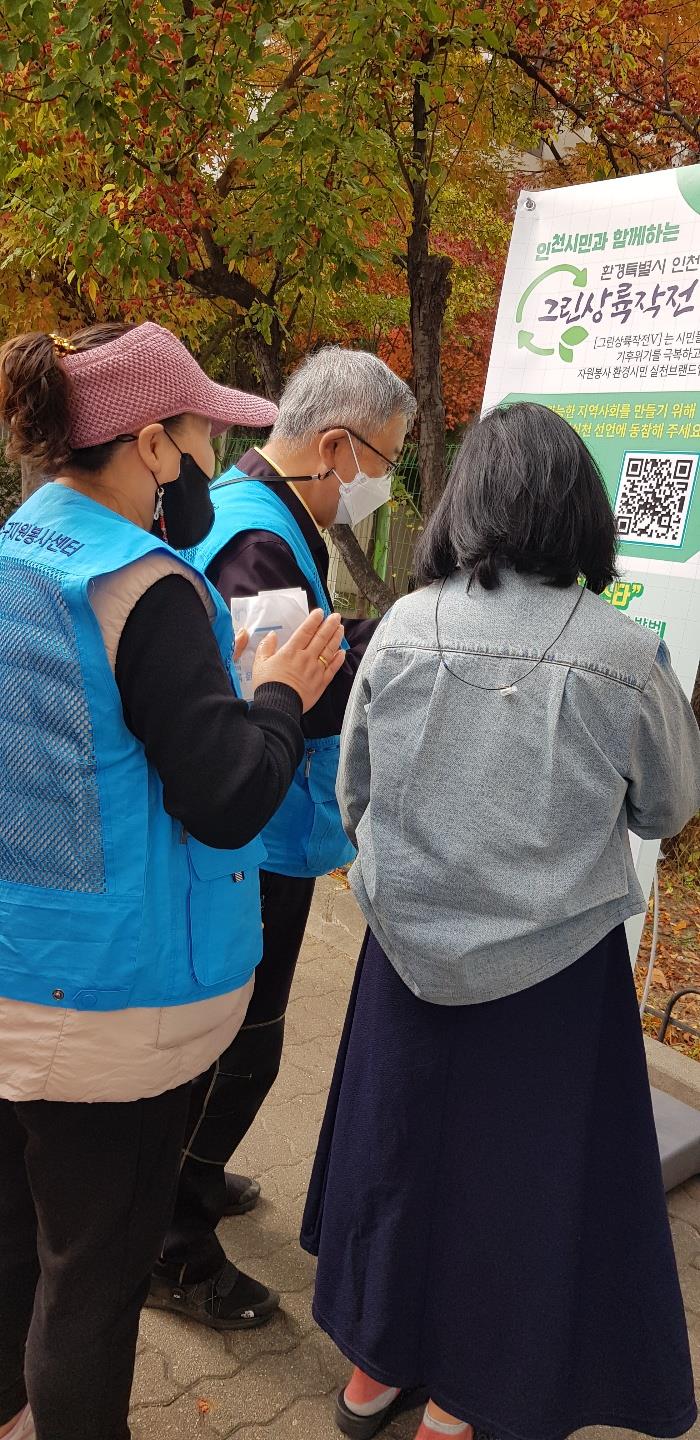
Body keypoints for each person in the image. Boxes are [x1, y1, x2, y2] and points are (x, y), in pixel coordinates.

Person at [301, 401, 700, 1440]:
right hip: (554, 978)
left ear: (466, 503)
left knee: (396, 1156)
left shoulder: (402, 625)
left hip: (404, 952)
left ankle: (373, 1368)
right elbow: (665, 806)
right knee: (515, 1187)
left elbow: (354, 795)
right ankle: (463, 1397)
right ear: (582, 511)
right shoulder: (622, 652)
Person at [0, 320, 345, 1440]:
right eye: (199, 429)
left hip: (17, 975)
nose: (207, 452)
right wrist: (281, 694)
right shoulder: (142, 588)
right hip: (115, 1009)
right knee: (91, 1290)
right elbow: (227, 795)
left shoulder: (18, 550)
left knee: (17, 1246)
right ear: (151, 444)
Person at [149, 346, 417, 1328]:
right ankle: (170, 1246)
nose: (380, 485)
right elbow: (286, 701)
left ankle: (194, 1180)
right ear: (336, 448)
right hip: (252, 841)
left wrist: (353, 640)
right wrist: (394, 650)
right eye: (382, 461)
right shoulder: (256, 539)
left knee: (237, 1041)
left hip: (267, 830)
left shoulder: (263, 515)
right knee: (244, 1047)